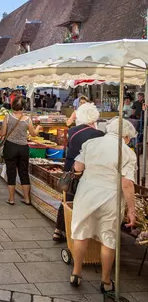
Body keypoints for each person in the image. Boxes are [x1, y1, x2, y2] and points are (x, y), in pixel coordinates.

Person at [70, 118, 136, 298]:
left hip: (86, 194)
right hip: (110, 198)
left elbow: (78, 166)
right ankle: (106, 282)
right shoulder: (127, 152)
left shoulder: (91, 143)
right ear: (126, 137)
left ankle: (76, 273)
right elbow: (127, 184)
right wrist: (132, 210)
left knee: (81, 233)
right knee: (108, 239)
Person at [53, 103, 105, 242]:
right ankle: (81, 231)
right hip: (87, 171)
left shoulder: (72, 131)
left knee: (67, 199)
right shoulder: (99, 134)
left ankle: (58, 230)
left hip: (69, 170)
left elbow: (70, 148)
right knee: (85, 200)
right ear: (94, 117)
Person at [0, 97, 41, 205]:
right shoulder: (27, 119)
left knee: (11, 172)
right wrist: (38, 128)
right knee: (24, 172)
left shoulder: (7, 117)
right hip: (23, 148)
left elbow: (3, 133)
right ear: (23, 106)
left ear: (13, 105)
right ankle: (27, 198)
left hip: (10, 147)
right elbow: (33, 134)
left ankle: (11, 199)